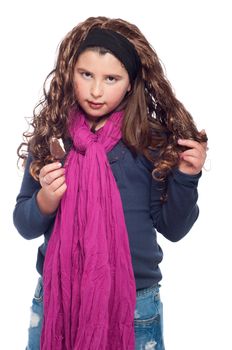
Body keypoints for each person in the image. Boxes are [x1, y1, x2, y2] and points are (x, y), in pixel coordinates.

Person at [13, 16, 208, 350]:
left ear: (131, 83)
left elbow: (173, 228)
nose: (96, 90)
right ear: (70, 72)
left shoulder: (149, 144)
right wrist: (46, 199)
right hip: (59, 298)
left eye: (111, 78)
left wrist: (186, 178)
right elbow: (25, 223)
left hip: (133, 302)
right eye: (86, 74)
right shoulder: (53, 140)